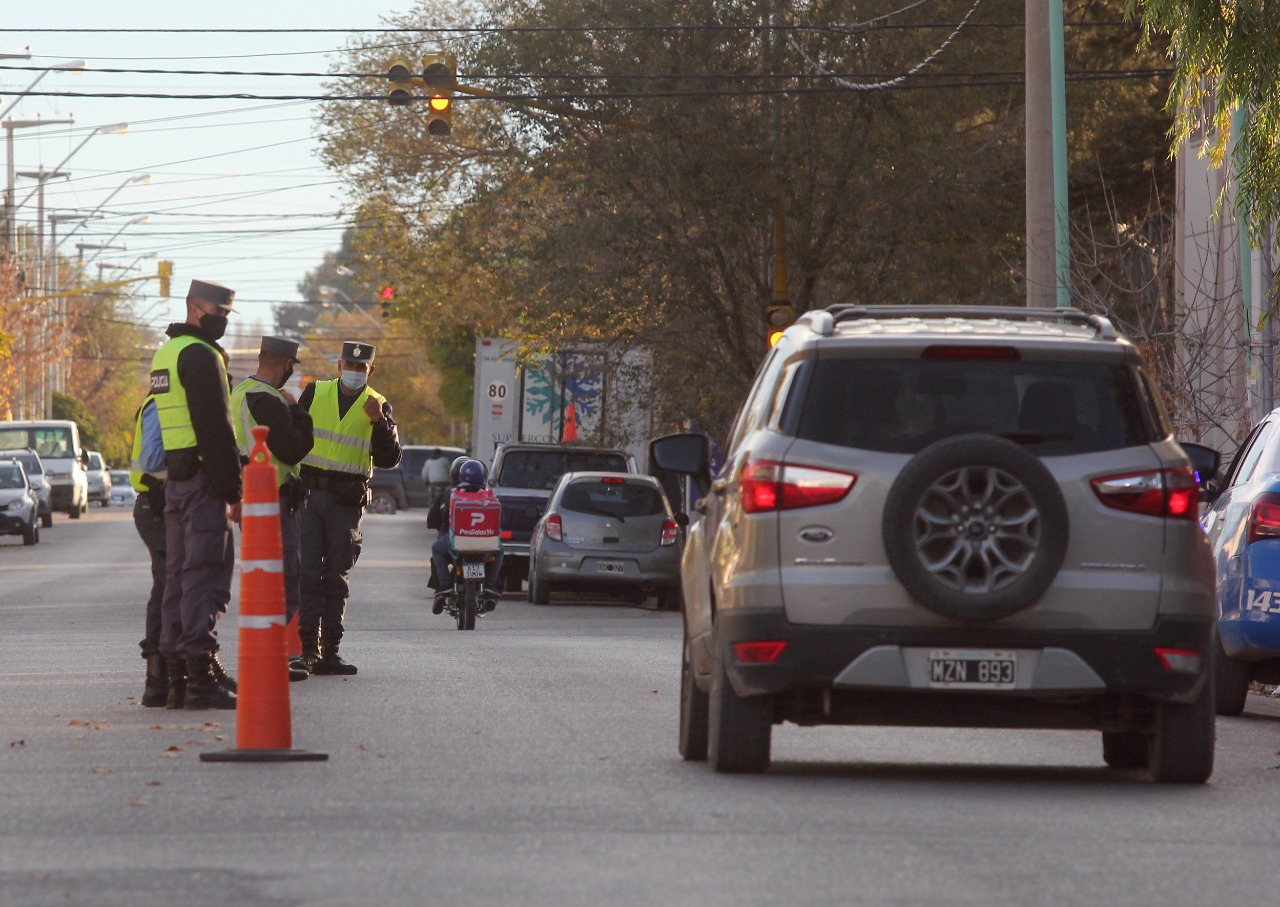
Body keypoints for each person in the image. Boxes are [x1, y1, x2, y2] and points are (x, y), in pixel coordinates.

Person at [151, 279, 242, 711]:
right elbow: (216, 429)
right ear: (194, 307)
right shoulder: (202, 356)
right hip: (204, 481)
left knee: (178, 579)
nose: (222, 320)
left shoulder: (166, 352)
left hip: (176, 480)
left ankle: (174, 682)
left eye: (226, 314)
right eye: (218, 312)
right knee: (205, 577)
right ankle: (200, 680)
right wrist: (233, 490)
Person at [297, 340, 401, 675]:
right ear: (339, 365)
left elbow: (389, 458)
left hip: (346, 502)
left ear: (371, 370)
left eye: (362, 368)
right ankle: (307, 651)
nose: (355, 372)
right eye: (350, 365)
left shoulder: (378, 404)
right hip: (310, 496)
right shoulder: (315, 393)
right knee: (309, 574)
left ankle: (330, 653)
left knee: (336, 577)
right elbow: (295, 438)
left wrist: (379, 424)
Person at [229, 335, 314, 683]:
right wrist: (297, 410)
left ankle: (267, 650)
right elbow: (294, 448)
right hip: (272, 500)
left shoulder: (238, 394)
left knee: (262, 578)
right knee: (283, 577)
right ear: (286, 364)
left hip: (250, 496)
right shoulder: (268, 399)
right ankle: (277, 652)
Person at [128, 397, 168, 707]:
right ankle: (157, 676)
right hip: (156, 504)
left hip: (167, 503)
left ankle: (171, 673)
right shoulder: (160, 404)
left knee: (175, 585)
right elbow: (153, 458)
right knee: (168, 584)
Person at [430, 459, 503, 615]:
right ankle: (490, 583)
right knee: (500, 550)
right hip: (485, 541)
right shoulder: (489, 495)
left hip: (458, 541)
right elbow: (500, 519)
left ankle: (444, 586)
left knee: (436, 549)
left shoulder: (451, 493)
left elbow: (438, 518)